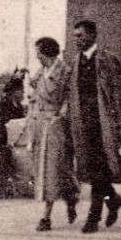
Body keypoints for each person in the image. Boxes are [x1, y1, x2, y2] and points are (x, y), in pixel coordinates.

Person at [66, 19, 121, 232]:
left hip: (103, 125)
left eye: (81, 36)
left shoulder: (107, 60)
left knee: (99, 170)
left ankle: (94, 217)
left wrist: (119, 127)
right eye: (75, 36)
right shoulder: (74, 63)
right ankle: (113, 200)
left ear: (92, 36)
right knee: (93, 171)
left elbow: (117, 96)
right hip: (82, 126)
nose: (77, 40)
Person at [25, 37, 78, 230]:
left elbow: (71, 98)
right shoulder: (41, 73)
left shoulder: (64, 72)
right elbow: (34, 97)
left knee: (52, 168)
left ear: (46, 52)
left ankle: (46, 217)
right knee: (50, 169)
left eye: (38, 51)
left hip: (55, 126)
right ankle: (71, 196)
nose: (36, 55)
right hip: (39, 125)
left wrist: (60, 116)